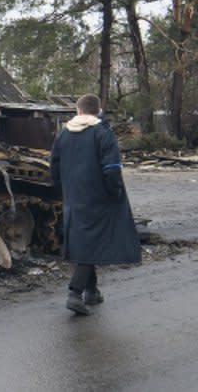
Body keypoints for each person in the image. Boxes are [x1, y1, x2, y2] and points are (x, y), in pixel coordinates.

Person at [49, 93, 141, 316]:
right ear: (97, 111)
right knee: (92, 243)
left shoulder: (63, 134)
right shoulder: (102, 133)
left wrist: (62, 189)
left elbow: (53, 165)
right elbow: (111, 169)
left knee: (86, 241)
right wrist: (115, 192)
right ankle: (75, 292)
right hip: (98, 198)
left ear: (78, 110)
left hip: (73, 197)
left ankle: (92, 291)